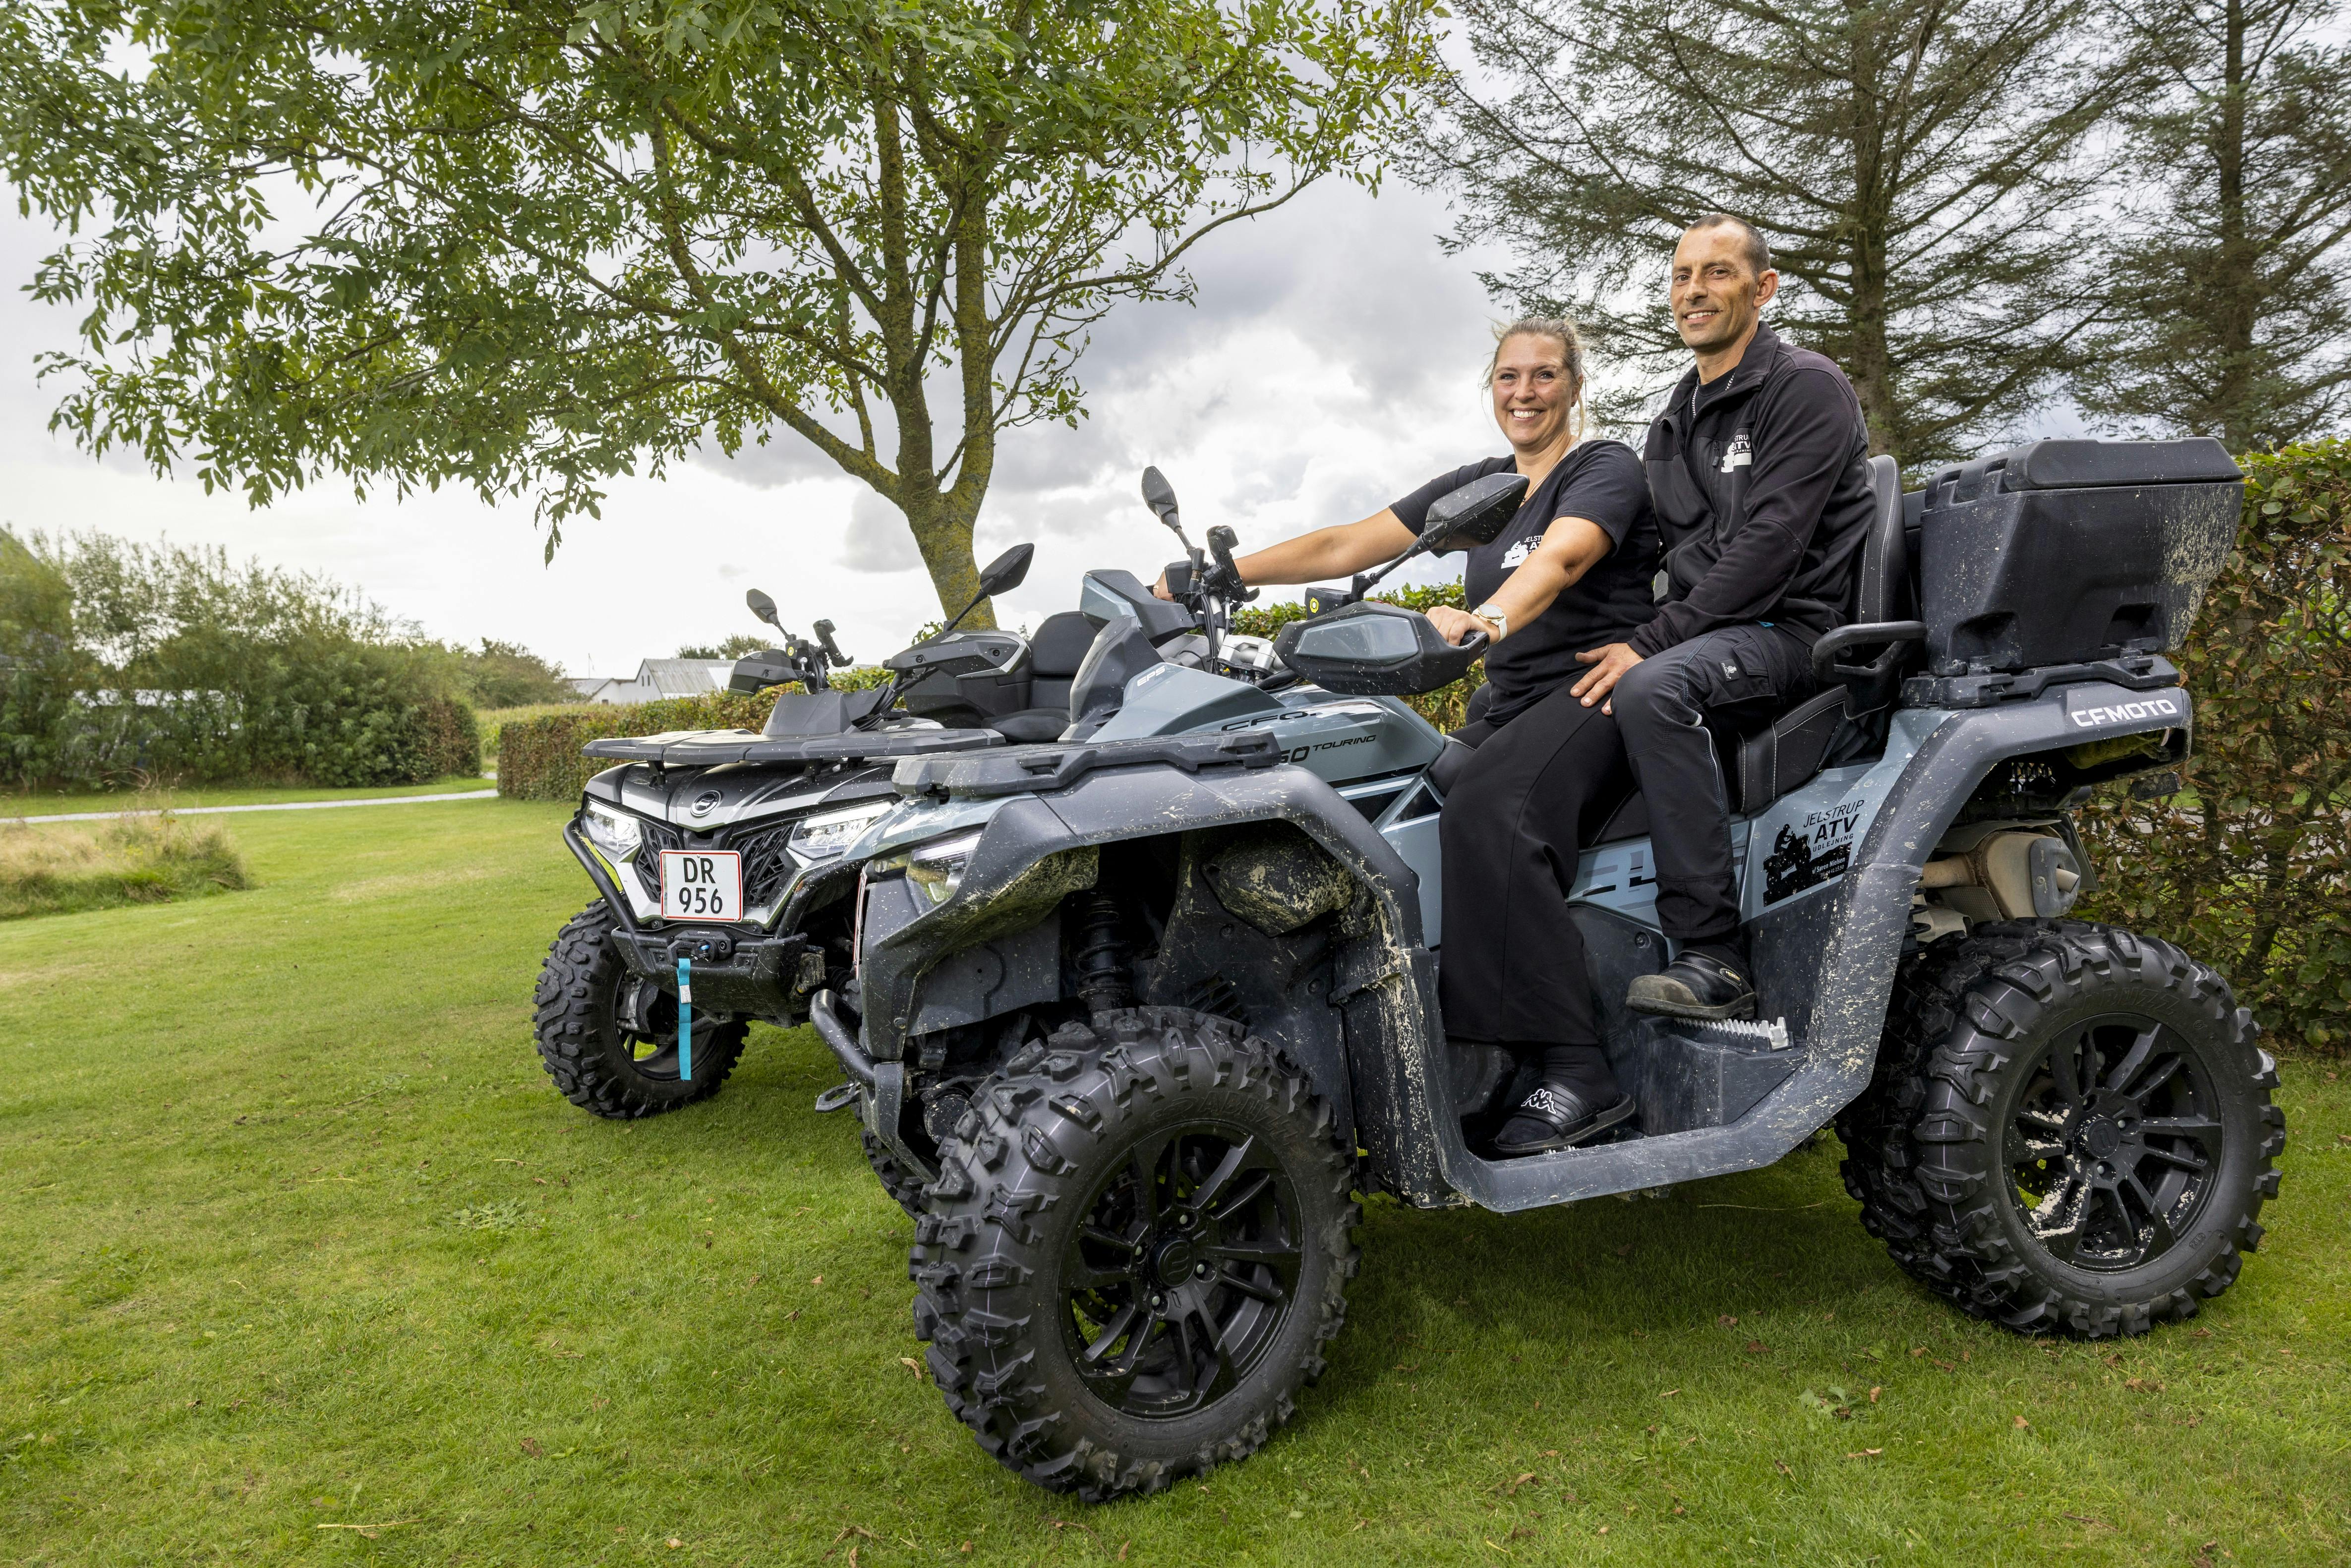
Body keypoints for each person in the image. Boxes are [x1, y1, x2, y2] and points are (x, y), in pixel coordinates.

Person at [1156, 319, 1659, 1155]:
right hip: (1510, 702)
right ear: (1490, 387)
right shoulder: (1487, 488)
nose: (1523, 393)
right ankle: (1472, 1047)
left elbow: (1564, 559)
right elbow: (1351, 541)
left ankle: (1580, 1073)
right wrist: (1222, 577)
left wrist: (1486, 617)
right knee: (1409, 805)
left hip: (1591, 690)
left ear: (1574, 385)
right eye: (1507, 377)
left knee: (1490, 813)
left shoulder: (1601, 468)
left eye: (1542, 376)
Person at [1570, 214, 1876, 1022]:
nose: (1693, 291)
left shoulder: (1803, 385)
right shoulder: (1674, 417)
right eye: (1681, 276)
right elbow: (1647, 552)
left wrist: (1653, 642)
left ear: (1762, 288)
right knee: (1577, 689)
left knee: (1650, 690)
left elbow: (1770, 546)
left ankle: (1713, 956)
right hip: (1713, 632)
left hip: (1793, 633)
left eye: (1716, 273)